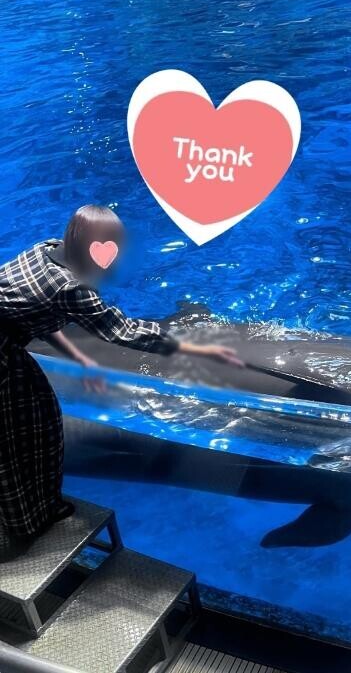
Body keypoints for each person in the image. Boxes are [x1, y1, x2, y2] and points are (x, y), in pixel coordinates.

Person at [0, 204, 244, 539]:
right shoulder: (73, 289)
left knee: (41, 426)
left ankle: (39, 508)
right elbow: (125, 333)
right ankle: (26, 525)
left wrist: (81, 358)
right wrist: (199, 349)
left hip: (9, 347)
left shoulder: (44, 250)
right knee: (17, 441)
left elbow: (36, 316)